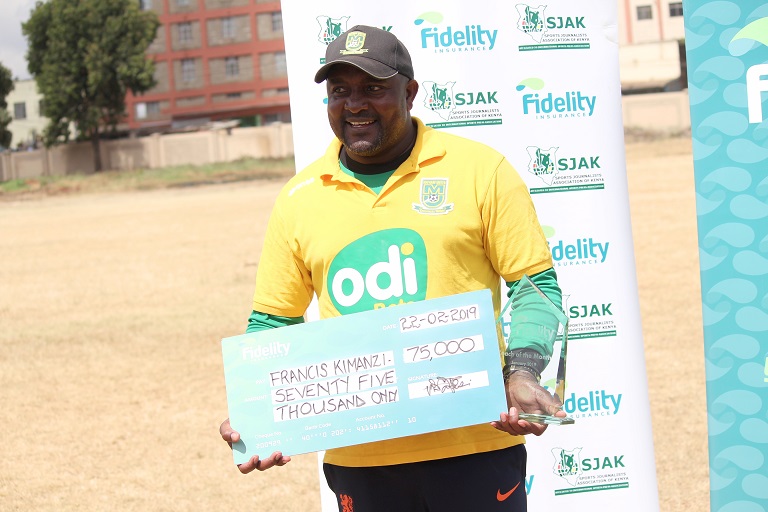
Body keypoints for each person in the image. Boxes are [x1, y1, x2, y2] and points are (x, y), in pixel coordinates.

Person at [220, 25, 566, 511]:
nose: (354, 104)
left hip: (475, 446)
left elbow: (536, 288)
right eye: (339, 90)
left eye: (373, 88)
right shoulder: (299, 199)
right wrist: (255, 411)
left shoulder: (480, 171)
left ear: (410, 92)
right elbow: (273, 322)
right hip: (360, 458)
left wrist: (523, 370)